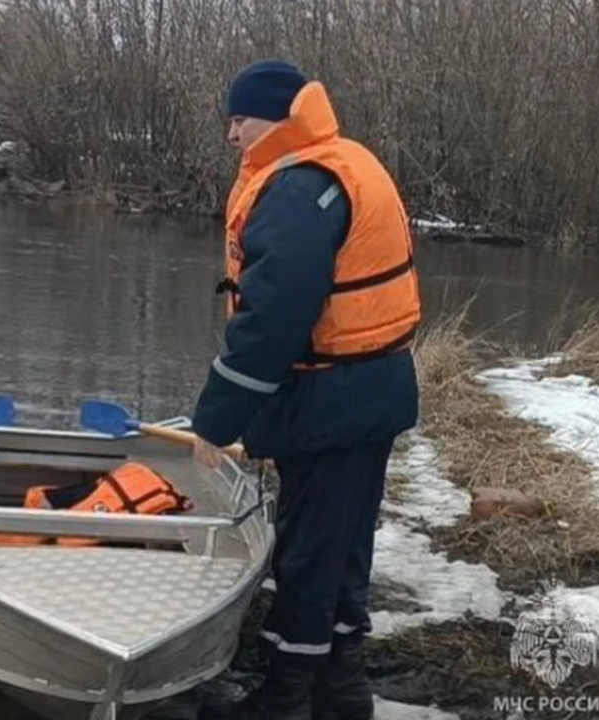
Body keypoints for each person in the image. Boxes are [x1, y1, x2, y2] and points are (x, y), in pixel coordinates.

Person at [190, 60, 421, 720]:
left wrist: (217, 416)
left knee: (310, 552)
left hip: (333, 400)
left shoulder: (298, 185)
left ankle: (287, 698)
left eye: (239, 120)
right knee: (345, 543)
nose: (232, 135)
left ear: (275, 119)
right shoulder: (343, 160)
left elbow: (274, 318)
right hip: (371, 391)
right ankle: (340, 690)